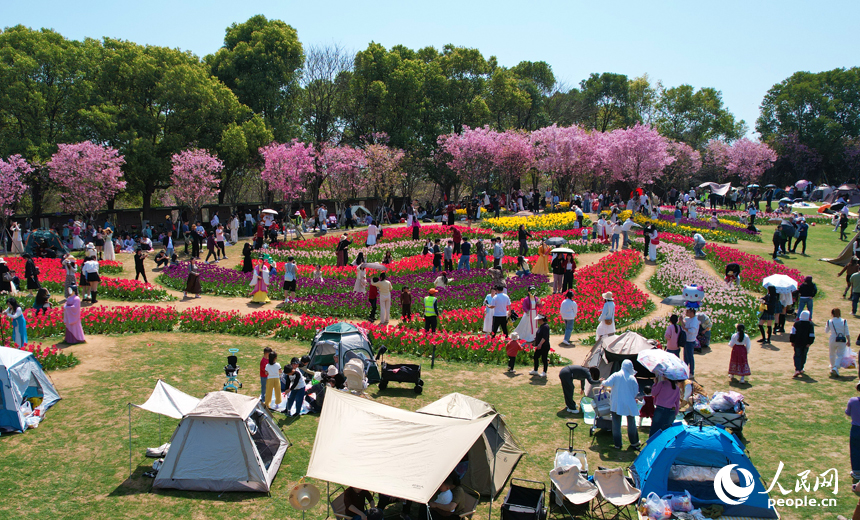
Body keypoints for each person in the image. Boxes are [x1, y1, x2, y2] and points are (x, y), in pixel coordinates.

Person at [603, 359, 641, 449]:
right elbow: (635, 392)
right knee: (631, 423)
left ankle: (617, 444)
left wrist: (602, 381)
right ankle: (634, 442)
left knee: (616, 424)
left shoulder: (616, 375)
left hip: (616, 403)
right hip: (629, 403)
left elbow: (607, 383)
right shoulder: (632, 378)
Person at [790, 310, 815, 377]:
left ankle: (797, 369)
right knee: (803, 355)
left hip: (797, 342)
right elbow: (811, 335)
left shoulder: (796, 324)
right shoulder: (810, 324)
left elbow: (793, 333)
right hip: (806, 343)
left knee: (797, 355)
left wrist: (792, 341)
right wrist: (810, 342)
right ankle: (801, 368)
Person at [826, 308, 850, 378]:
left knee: (832, 353)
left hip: (833, 339)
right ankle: (835, 367)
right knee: (840, 354)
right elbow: (847, 332)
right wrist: (849, 340)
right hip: (842, 339)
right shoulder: (844, 321)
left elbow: (826, 331)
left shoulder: (829, 321)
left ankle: (832, 367)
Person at [846, 383, 860, 480]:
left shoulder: (853, 401)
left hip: (856, 429)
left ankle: (857, 472)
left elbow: (848, 412)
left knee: (855, 449)